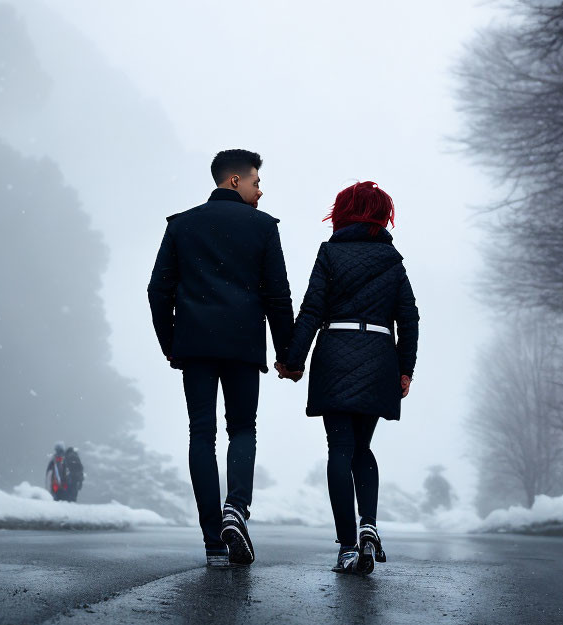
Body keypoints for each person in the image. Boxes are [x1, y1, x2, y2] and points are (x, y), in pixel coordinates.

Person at [147, 149, 295, 568]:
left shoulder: (181, 225)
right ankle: (237, 509)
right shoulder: (263, 228)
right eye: (256, 182)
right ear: (235, 181)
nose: (260, 191)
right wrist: (287, 354)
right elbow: (277, 297)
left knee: (201, 434)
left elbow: (158, 291)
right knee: (242, 429)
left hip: (194, 345)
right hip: (243, 346)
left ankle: (213, 540)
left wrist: (171, 342)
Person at [280, 181, 419, 574]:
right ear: (381, 215)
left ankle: (346, 545)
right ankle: (369, 526)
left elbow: (311, 310)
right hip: (379, 357)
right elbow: (409, 319)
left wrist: (292, 360)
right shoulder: (392, 261)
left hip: (335, 352)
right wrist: (405, 368)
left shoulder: (330, 253)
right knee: (363, 448)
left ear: (341, 213)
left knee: (339, 448)